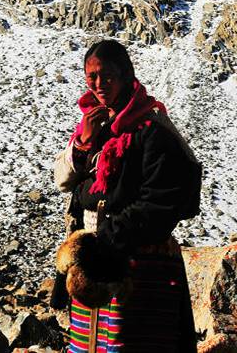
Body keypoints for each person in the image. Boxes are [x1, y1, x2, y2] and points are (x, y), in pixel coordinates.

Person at [53, 39, 201, 352]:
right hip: (93, 257)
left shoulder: (153, 129)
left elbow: (160, 201)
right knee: (88, 344)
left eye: (107, 75)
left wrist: (108, 236)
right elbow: (65, 181)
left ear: (126, 75)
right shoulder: (94, 125)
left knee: (130, 343)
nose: (98, 83)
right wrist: (82, 144)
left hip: (140, 258)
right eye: (91, 76)